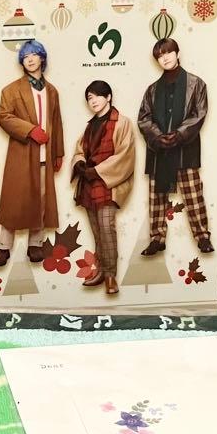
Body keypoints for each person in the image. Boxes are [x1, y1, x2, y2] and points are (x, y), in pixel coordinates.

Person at [136, 38, 214, 256]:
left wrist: (179, 134)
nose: (165, 58)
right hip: (159, 151)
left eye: (168, 52)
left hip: (185, 149)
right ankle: (157, 239)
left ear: (177, 53)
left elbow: (199, 113)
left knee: (193, 194)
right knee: (156, 197)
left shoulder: (196, 84)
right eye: (160, 55)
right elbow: (143, 118)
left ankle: (203, 237)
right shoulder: (152, 89)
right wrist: (158, 137)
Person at [0, 39, 64, 268]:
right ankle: (3, 247)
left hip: (45, 154)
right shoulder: (11, 89)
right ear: (22, 62)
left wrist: (58, 153)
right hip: (21, 153)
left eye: (34, 54)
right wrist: (31, 130)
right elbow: (4, 117)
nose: (30, 59)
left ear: (42, 58)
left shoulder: (52, 91)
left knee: (41, 201)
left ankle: (35, 244)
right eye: (25, 57)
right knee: (14, 200)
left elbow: (57, 123)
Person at [70, 81, 136, 296]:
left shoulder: (123, 122)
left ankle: (110, 276)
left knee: (107, 228)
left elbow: (125, 155)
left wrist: (97, 171)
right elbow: (79, 150)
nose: (93, 101)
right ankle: (100, 271)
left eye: (98, 95)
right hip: (89, 184)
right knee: (97, 231)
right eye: (89, 98)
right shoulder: (90, 126)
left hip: (108, 183)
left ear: (108, 97)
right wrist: (79, 163)